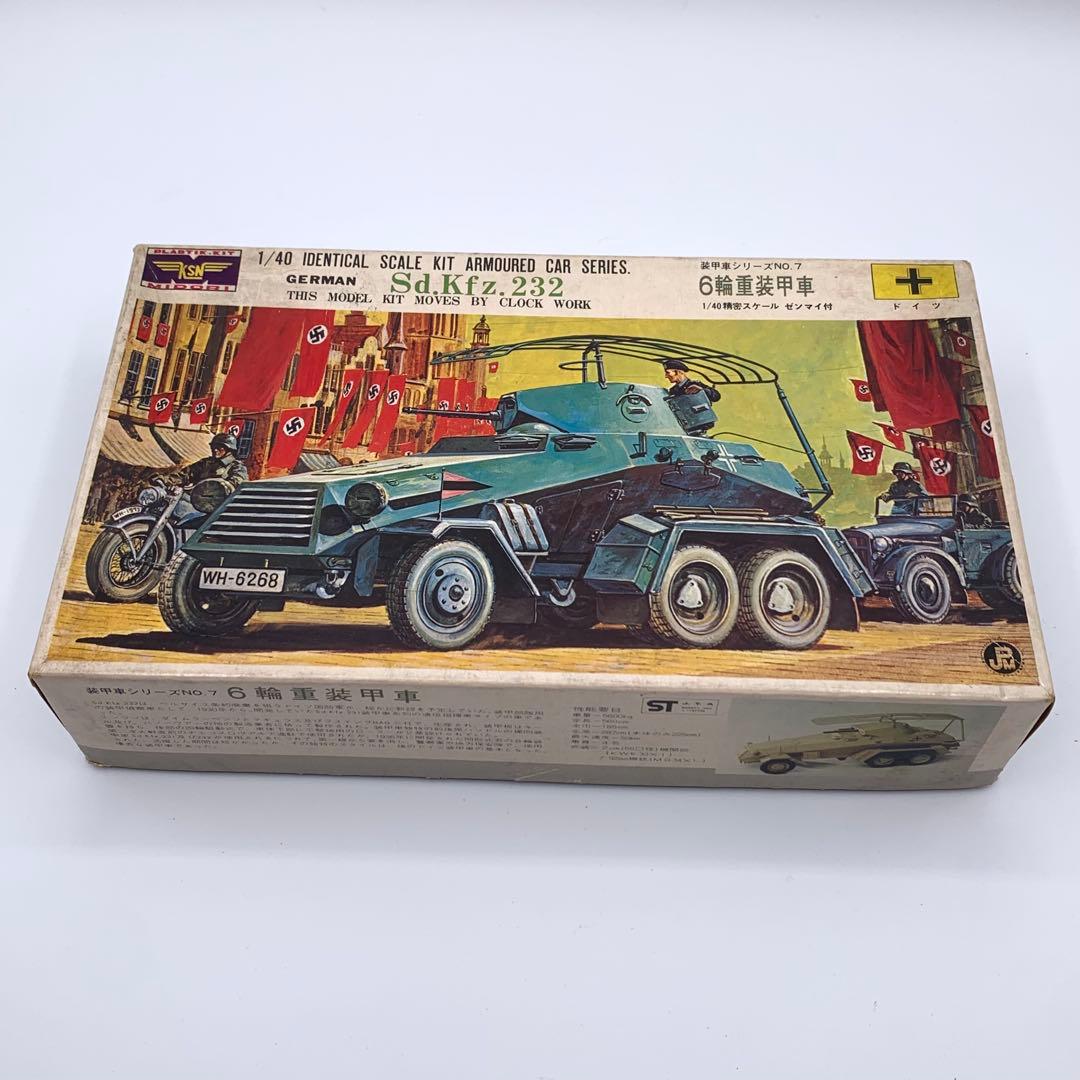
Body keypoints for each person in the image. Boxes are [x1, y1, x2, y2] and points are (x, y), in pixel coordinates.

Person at [176, 432, 249, 487]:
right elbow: (185, 474)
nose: (215, 450)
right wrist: (174, 481)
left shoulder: (237, 467)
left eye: (219, 447)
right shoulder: (205, 463)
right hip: (198, 498)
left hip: (221, 501)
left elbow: (236, 483)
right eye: (213, 447)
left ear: (229, 450)